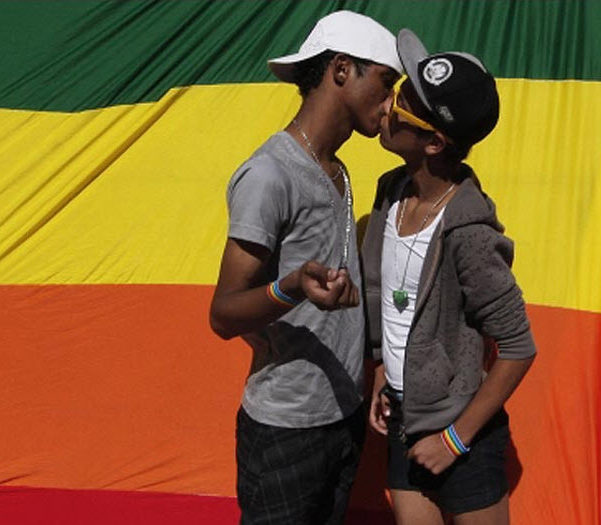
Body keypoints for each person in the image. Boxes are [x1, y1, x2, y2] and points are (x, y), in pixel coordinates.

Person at [208, 11, 402, 525]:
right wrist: (291, 287)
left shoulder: (336, 167)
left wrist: (375, 365)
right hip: (284, 435)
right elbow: (223, 315)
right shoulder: (269, 175)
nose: (390, 105)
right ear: (342, 70)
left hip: (343, 418)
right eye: (385, 82)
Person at [362, 29, 536, 525]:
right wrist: (381, 373)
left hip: (463, 438)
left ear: (435, 142)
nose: (388, 107)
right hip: (402, 422)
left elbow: (519, 347)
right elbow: (386, 301)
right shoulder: (388, 193)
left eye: (403, 105)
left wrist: (455, 439)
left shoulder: (470, 234)